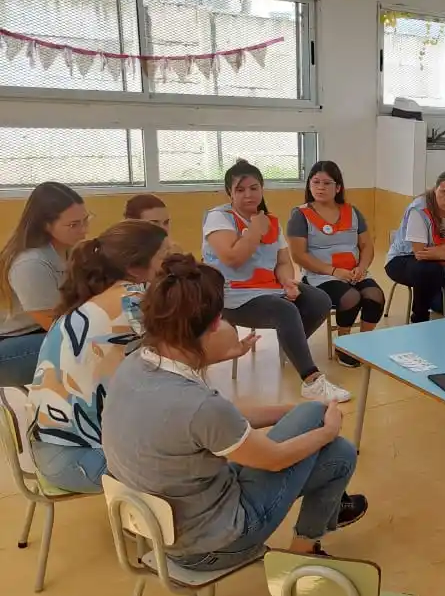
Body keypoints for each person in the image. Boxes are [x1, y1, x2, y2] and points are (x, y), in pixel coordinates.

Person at [102, 254, 368, 571]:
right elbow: (274, 458)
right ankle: (304, 549)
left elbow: (222, 420)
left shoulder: (137, 362)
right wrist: (325, 429)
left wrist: (293, 413)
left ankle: (306, 550)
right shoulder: (198, 406)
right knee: (333, 442)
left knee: (338, 452)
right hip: (212, 546)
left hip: (157, 526)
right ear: (215, 324)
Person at [27, 221, 171, 492]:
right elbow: (185, 351)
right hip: (80, 457)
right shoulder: (134, 300)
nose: (174, 261)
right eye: (165, 254)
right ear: (134, 268)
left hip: (54, 450)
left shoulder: (96, 298)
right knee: (194, 464)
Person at [202, 159, 350, 403]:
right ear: (229, 193)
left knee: (319, 300)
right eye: (240, 190)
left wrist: (287, 281)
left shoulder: (269, 220)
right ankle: (312, 380)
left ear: (262, 189)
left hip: (268, 289)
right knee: (285, 311)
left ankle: (293, 348)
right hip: (232, 297)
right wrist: (253, 231)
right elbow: (232, 259)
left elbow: (283, 261)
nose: (248, 195)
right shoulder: (219, 218)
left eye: (254, 188)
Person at [288, 161, 383, 367]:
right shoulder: (300, 215)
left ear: (338, 187)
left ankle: (364, 343)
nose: (320, 187)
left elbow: (367, 245)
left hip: (354, 272)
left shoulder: (353, 212)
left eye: (327, 183)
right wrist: (334, 271)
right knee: (351, 297)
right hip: (320, 275)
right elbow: (299, 256)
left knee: (375, 295)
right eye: (315, 182)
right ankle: (344, 345)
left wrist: (362, 267)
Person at [0, 182, 90, 388]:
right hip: (13, 344)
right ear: (46, 225)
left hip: (36, 334)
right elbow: (56, 327)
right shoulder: (31, 263)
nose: (83, 230)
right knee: (87, 345)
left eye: (85, 220)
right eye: (73, 225)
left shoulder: (67, 250)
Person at [385, 169, 445, 324]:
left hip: (439, 259)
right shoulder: (419, 208)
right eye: (443, 192)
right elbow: (420, 254)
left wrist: (438, 251)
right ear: (435, 189)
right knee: (429, 270)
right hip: (403, 259)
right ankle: (420, 319)